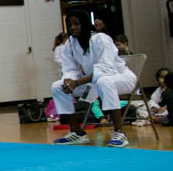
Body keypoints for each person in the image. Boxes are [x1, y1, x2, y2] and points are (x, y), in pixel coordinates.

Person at [51, 9, 137, 147]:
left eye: (77, 24)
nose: (73, 27)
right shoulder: (71, 43)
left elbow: (105, 68)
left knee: (104, 81)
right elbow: (70, 68)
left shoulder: (100, 39)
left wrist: (77, 82)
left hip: (120, 78)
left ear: (84, 24)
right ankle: (77, 132)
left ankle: (120, 132)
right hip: (93, 82)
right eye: (70, 24)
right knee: (57, 86)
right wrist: (68, 81)